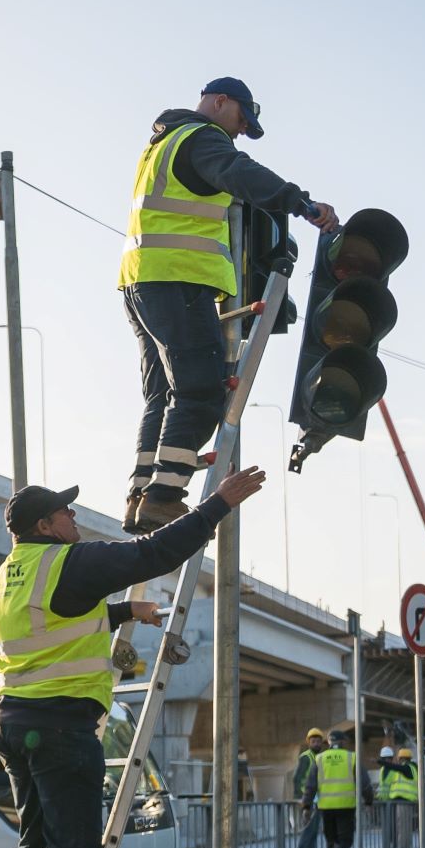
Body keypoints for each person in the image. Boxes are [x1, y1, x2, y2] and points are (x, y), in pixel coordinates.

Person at [0, 466, 266, 848]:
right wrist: (217, 505)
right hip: (60, 726)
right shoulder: (69, 561)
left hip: (12, 720)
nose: (73, 516)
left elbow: (51, 625)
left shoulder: (8, 574)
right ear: (46, 525)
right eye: (65, 510)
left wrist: (120, 612)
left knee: (35, 843)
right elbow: (151, 554)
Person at [120, 77, 338, 533]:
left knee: (163, 394)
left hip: (141, 280)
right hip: (179, 279)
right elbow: (239, 173)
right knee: (201, 391)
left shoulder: (161, 142)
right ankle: (164, 497)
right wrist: (299, 202)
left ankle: (141, 493)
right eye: (241, 120)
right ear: (219, 102)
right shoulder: (203, 138)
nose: (239, 132)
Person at [315, 728, 368, 848]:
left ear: (329, 742)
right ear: (343, 741)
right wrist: (369, 800)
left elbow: (311, 784)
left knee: (332, 840)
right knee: (345, 840)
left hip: (326, 807)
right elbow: (364, 783)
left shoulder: (320, 758)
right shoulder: (351, 757)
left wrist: (306, 806)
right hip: (345, 806)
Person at [290, 727, 326, 848]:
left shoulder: (320, 758)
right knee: (307, 831)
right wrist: (301, 799)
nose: (316, 743)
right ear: (308, 743)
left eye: (318, 741)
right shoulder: (306, 757)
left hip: (317, 801)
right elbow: (297, 779)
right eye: (313, 741)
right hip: (308, 801)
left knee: (313, 831)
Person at [382, 746, 419, 848]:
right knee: (405, 826)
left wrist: (382, 762)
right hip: (403, 801)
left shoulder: (408, 768)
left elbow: (398, 769)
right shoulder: (410, 768)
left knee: (402, 827)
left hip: (404, 800)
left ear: (402, 758)